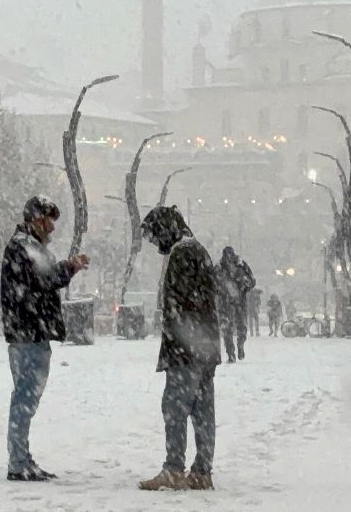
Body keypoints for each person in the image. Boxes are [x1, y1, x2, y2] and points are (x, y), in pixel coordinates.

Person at [0, 196, 89, 482]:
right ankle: (18, 461)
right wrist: (69, 267)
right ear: (35, 220)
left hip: (31, 332)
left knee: (27, 398)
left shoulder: (29, 246)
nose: (51, 227)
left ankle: (22, 458)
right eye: (48, 220)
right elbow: (44, 279)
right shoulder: (22, 246)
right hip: (27, 333)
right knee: (24, 398)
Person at [137, 205, 219, 491]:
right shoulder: (197, 250)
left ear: (165, 229)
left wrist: (178, 345)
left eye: (154, 236)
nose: (154, 243)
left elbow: (182, 307)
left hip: (187, 349)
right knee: (202, 411)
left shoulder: (183, 253)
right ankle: (202, 470)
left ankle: (174, 469)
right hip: (205, 347)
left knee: (174, 407)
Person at [215, 247, 256, 362]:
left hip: (237, 301)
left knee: (239, 327)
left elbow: (252, 281)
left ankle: (238, 347)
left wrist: (243, 287)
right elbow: (211, 283)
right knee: (229, 327)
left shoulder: (240, 266)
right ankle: (231, 352)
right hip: (228, 302)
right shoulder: (220, 267)